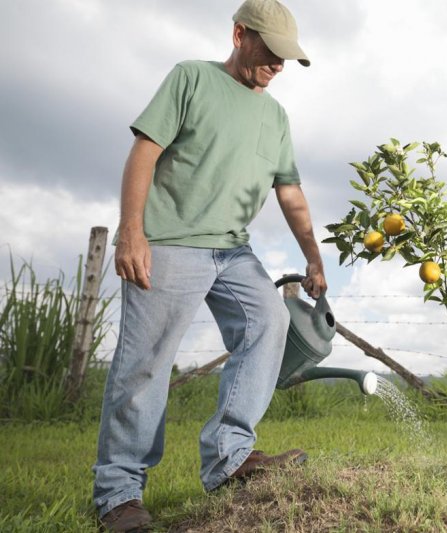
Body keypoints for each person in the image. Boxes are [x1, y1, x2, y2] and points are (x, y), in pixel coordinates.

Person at [92, 1, 326, 530]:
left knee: (270, 320)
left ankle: (231, 457)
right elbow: (144, 153)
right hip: (171, 240)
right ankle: (118, 493)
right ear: (240, 34)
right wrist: (132, 231)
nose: (279, 66)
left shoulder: (276, 116)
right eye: (271, 52)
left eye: (287, 58)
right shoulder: (191, 78)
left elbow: (289, 193)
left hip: (233, 249)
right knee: (146, 363)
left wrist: (313, 254)